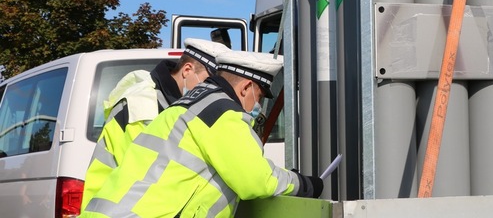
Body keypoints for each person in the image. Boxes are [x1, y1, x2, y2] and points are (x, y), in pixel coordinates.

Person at [82, 50, 322, 217]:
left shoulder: (186, 105)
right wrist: (303, 183)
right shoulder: (223, 113)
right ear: (246, 87)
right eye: (258, 97)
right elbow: (258, 181)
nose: (256, 106)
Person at [81, 38, 230, 212]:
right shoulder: (145, 105)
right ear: (187, 70)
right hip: (116, 209)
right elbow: (146, 175)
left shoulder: (170, 104)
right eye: (208, 83)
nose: (212, 92)